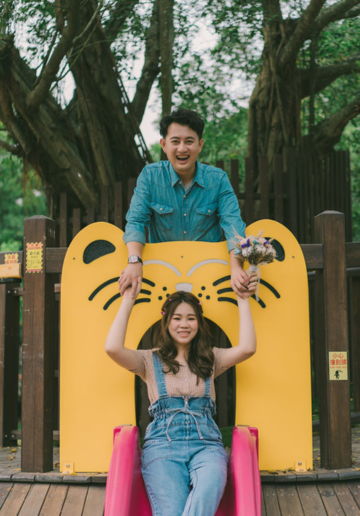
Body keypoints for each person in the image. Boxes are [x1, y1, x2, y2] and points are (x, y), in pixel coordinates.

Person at [105, 282, 257, 516]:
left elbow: (247, 348)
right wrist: (127, 300)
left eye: (191, 318)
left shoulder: (211, 358)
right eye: (177, 318)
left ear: (199, 322)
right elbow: (113, 348)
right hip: (162, 447)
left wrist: (244, 299)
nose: (184, 324)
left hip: (206, 445)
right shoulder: (149, 361)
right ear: (166, 322)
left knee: (208, 488)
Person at [119, 108, 250, 300]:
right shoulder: (150, 176)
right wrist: (134, 261)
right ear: (163, 145)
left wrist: (237, 267)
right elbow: (136, 221)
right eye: (175, 141)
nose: (182, 149)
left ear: (200, 145)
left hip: (208, 278)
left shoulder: (218, 179)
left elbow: (233, 225)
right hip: (162, 277)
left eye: (189, 141)